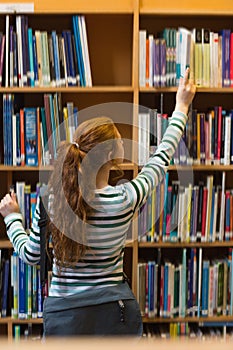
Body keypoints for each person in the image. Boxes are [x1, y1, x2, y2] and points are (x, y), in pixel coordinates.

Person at [0, 68, 196, 337]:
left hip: (64, 320)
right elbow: (162, 157)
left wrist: (12, 218)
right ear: (113, 153)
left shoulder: (52, 199)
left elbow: (32, 255)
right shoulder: (125, 197)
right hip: (112, 317)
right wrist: (182, 107)